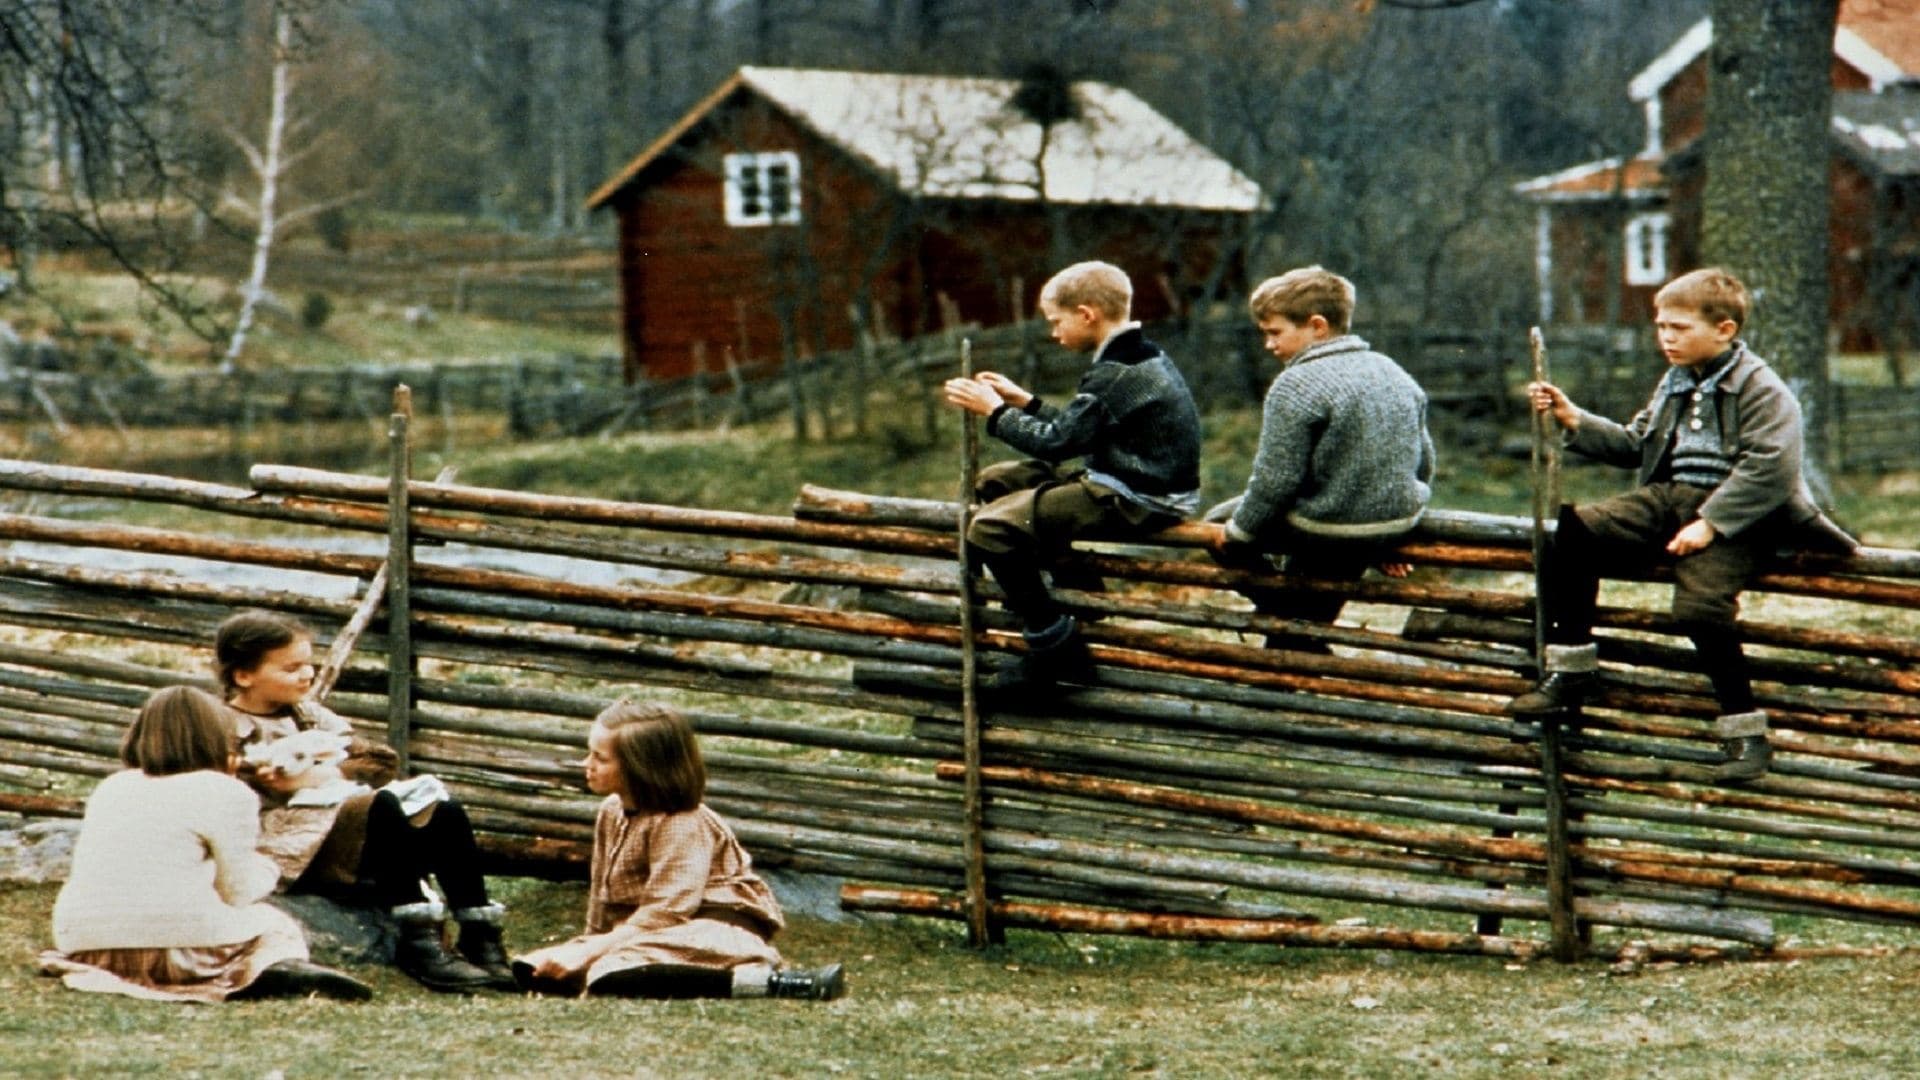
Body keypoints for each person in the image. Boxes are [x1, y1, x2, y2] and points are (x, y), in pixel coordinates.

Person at [1508, 267, 1856, 781]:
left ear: (1725, 330)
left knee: (1700, 609)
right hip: (1669, 499)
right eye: (1661, 327)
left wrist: (1711, 525)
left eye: (1679, 328)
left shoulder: (1762, 389)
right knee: (1574, 532)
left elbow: (1771, 467)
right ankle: (1572, 670)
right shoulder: (1675, 383)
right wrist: (1574, 418)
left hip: (1742, 514)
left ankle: (1745, 736)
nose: (1666, 338)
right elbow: (1634, 444)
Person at [214, 609, 509, 991]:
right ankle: (417, 938)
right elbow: (209, 783)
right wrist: (258, 777)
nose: (307, 675)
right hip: (288, 850)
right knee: (378, 806)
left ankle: (479, 932)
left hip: (341, 833)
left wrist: (326, 774)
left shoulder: (309, 717)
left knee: (443, 810)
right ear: (243, 676)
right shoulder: (223, 727)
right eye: (291, 669)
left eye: (309, 664)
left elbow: (380, 760)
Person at [941, 260, 1203, 682]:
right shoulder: (1133, 357)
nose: (1053, 332)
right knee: (997, 481)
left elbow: (1056, 444)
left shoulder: (1116, 372)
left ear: (1086, 314)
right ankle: (1074, 594)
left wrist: (994, 411)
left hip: (1141, 499)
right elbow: (1081, 429)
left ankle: (1054, 644)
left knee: (990, 529)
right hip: (1129, 480)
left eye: (1056, 320)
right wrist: (1024, 402)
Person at [40, 686, 371, 1003]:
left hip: (85, 944)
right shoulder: (226, 792)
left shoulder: (112, 787)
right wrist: (271, 863)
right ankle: (266, 970)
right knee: (276, 924)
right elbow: (239, 892)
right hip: (179, 952)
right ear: (216, 740)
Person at [512, 699, 843, 1000]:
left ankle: (769, 983)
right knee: (532, 967)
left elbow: (668, 910)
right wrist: (584, 948)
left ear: (639, 766)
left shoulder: (682, 821)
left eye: (600, 758)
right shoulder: (612, 810)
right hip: (647, 933)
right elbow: (601, 897)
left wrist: (592, 955)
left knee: (610, 972)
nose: (588, 764)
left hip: (707, 928)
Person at [1205, 266, 1434, 650]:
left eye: (1274, 332)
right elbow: (1424, 460)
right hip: (1395, 519)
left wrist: (1238, 536)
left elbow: (1275, 482)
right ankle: (1298, 630)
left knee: (1218, 523)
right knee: (1310, 600)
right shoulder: (1393, 371)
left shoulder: (1296, 384)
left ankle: (1290, 620)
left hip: (1330, 526)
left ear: (1317, 326)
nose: (1268, 345)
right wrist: (1393, 527)